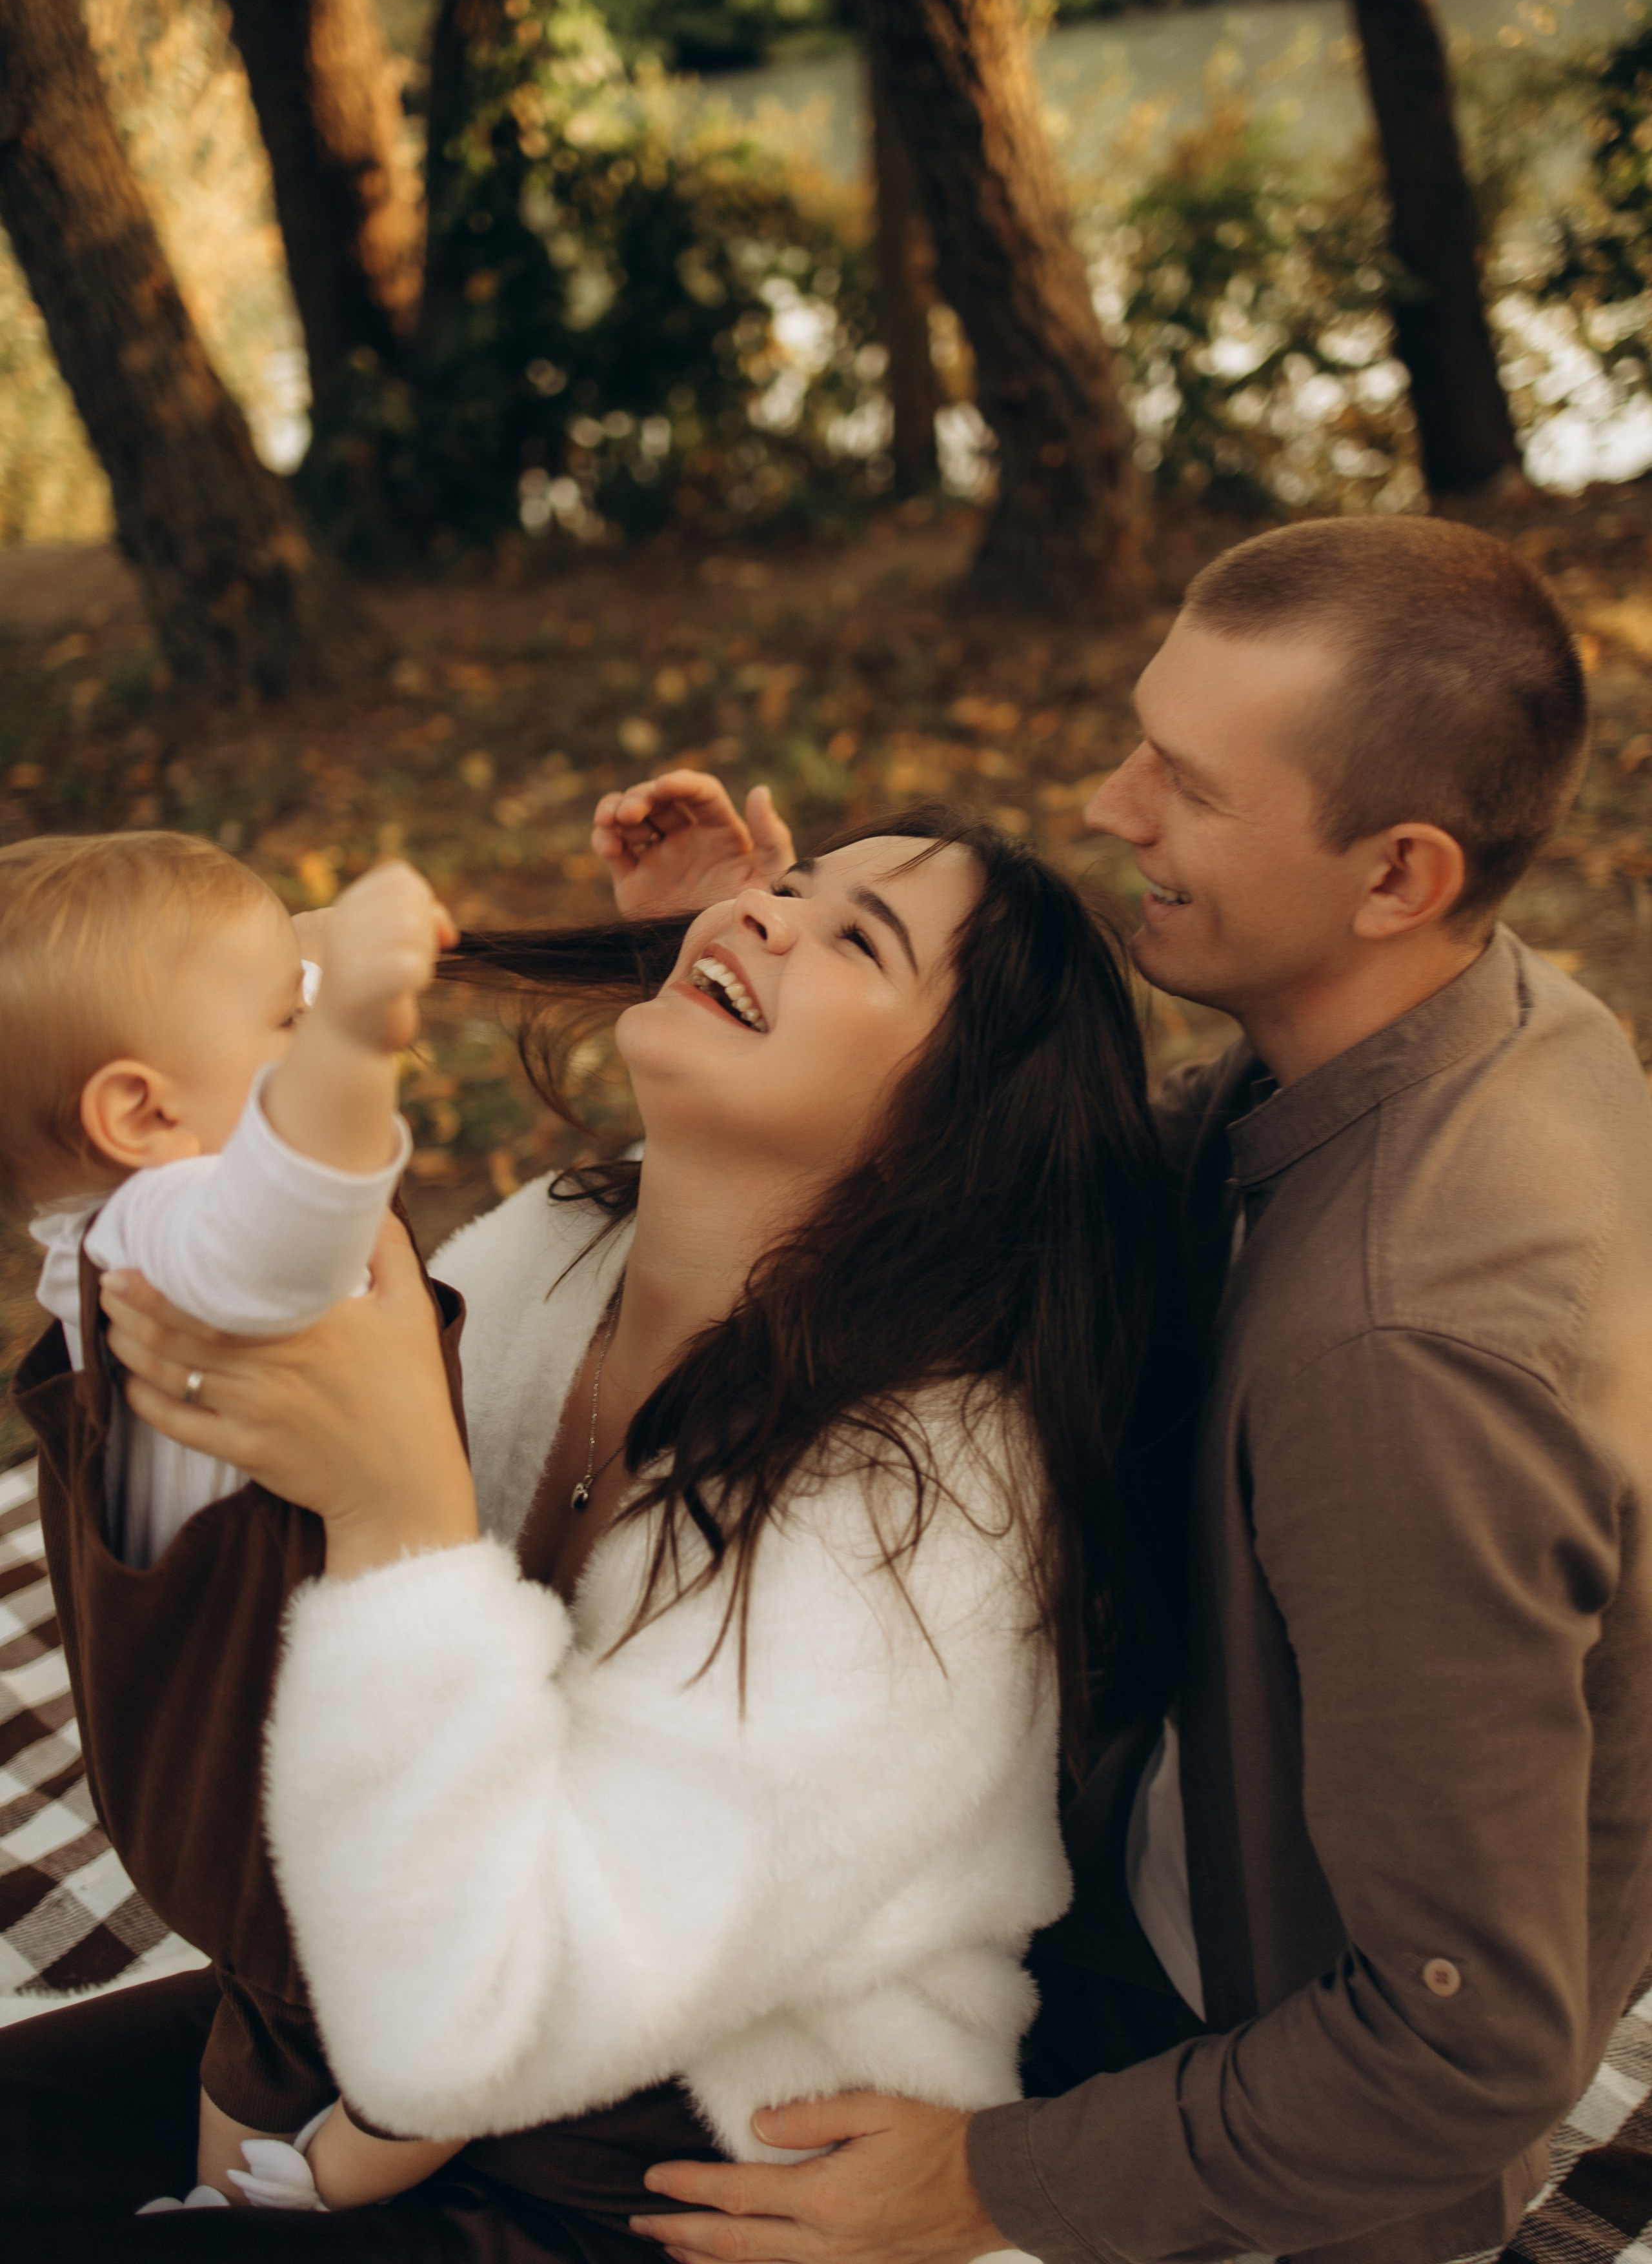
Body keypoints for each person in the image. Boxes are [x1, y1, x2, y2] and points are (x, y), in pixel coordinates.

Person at [584, 515, 1652, 2264]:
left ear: (1400, 875)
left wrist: (987, 2186)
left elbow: (1470, 2037)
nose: (1104, 803)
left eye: (1185, 784)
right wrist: (758, 981)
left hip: (1218, 2077)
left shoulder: (1401, 1361)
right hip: (1138, 1827)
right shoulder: (1457, 1025)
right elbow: (1055, 1215)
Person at [7, 811, 1191, 2256]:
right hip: (368, 2002)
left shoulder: (922, 1513)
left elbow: (466, 2033)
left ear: (950, 1124)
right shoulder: (558, 1247)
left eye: (854, 938)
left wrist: (401, 1511)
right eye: (786, 886)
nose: (768, 913)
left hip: (671, 2170)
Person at [0, 832, 470, 2214]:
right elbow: (295, 1198)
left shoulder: (101, 1219)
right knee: (423, 2081)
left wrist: (287, 962)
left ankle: (237, 2188)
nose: (309, 1004)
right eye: (282, 1012)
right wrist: (355, 1018)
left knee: (255, 2050)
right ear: (145, 1116)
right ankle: (295, 2199)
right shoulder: (185, 1235)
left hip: (235, 1819)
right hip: (327, 1838)